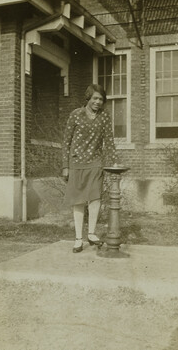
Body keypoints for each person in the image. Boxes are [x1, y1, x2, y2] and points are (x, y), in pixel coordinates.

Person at [62, 84, 117, 253]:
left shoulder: (105, 117)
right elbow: (66, 142)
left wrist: (114, 163)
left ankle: (91, 233)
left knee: (95, 198)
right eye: (95, 98)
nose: (98, 102)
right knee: (78, 200)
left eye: (101, 99)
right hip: (76, 163)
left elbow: (109, 141)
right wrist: (65, 166)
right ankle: (78, 238)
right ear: (88, 98)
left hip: (95, 163)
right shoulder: (75, 115)